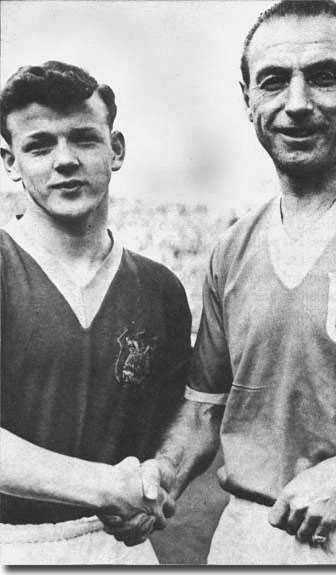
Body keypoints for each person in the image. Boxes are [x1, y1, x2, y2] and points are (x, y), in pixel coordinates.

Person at [103, 0, 336, 565]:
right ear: (248, 96)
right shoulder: (235, 247)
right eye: (274, 81)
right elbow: (206, 406)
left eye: (323, 77)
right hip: (251, 537)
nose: (296, 104)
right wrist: (163, 477)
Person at [0, 61, 191, 565]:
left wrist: (157, 482)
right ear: (10, 161)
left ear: (117, 149)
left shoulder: (160, 288)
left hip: (121, 543)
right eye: (40, 146)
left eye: (84, 139)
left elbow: (183, 417)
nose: (65, 161)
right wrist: (104, 485)